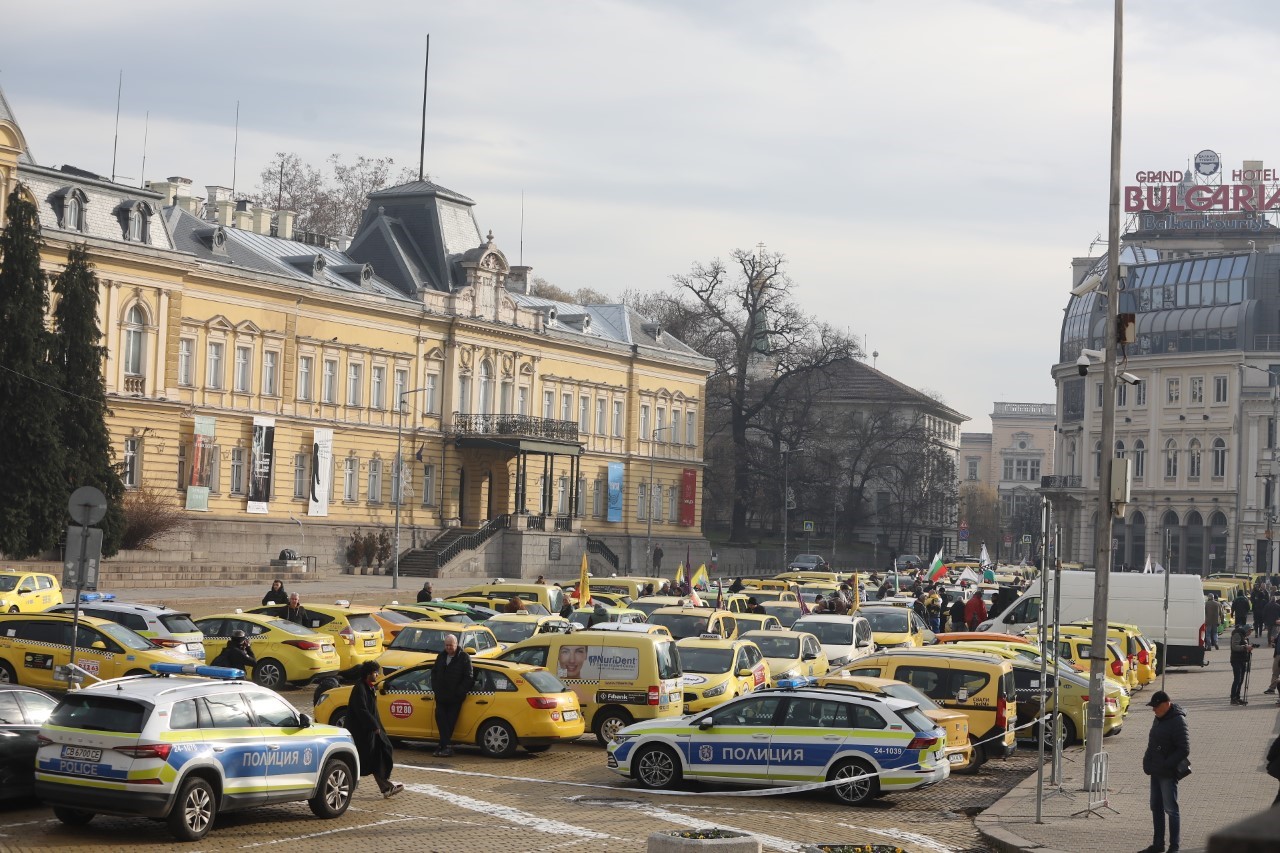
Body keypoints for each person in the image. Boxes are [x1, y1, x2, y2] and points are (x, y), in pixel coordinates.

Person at [1139, 690, 1188, 853]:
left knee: (1171, 809)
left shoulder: (1177, 720)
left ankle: (1174, 847)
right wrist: (1147, 761)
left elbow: (1184, 749)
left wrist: (1167, 765)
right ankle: (1158, 844)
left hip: (1167, 773)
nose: (1154, 710)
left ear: (1167, 704)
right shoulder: (1158, 718)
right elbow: (1152, 741)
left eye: (1156, 706)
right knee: (1156, 806)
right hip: (1155, 771)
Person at [346, 660, 403, 799]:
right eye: (375, 672)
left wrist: (377, 727)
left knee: (377, 757)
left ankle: (386, 787)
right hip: (361, 733)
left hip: (371, 731)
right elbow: (362, 710)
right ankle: (343, 785)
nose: (377, 674)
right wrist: (374, 726)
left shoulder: (370, 687)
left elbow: (372, 711)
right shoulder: (359, 688)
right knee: (359, 762)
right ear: (368, 673)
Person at [431, 634, 473, 757]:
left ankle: (443, 746)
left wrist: (459, 692)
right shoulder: (441, 656)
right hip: (441, 696)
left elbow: (469, 677)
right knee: (440, 719)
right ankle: (445, 746)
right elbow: (434, 673)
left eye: (451, 645)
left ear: (456, 644)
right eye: (446, 645)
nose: (448, 647)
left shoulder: (464, 657)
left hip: (455, 698)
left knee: (449, 723)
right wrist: (436, 689)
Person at [1230, 623, 1253, 705]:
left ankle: (1237, 697)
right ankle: (1233, 698)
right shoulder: (1237, 635)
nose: (1251, 633)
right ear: (1246, 630)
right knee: (1237, 679)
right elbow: (1234, 647)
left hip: (1243, 660)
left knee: (1241, 680)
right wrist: (1245, 647)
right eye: (1250, 631)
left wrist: (1248, 648)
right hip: (1236, 660)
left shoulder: (1244, 636)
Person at [1264, 622, 1280, 700]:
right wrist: (1274, 640)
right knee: (1275, 672)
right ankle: (1272, 688)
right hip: (1278, 655)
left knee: (1275, 672)